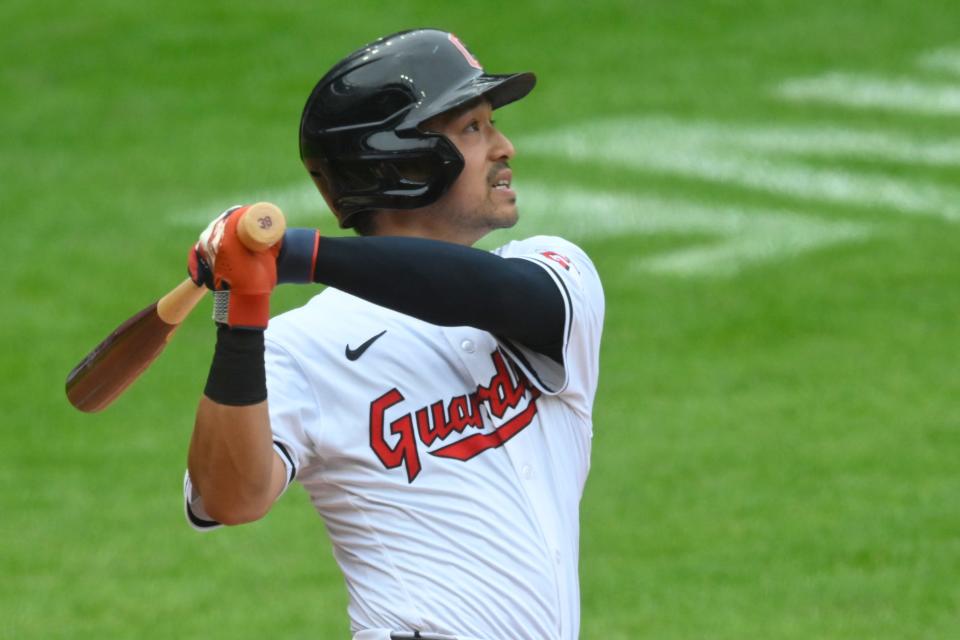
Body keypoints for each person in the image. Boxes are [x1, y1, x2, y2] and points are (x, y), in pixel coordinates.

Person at [183, 28, 604, 640]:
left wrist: (298, 254)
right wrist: (241, 316)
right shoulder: (301, 347)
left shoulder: (553, 272)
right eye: (473, 129)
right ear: (403, 162)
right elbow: (229, 499)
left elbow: (488, 294)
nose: (504, 147)